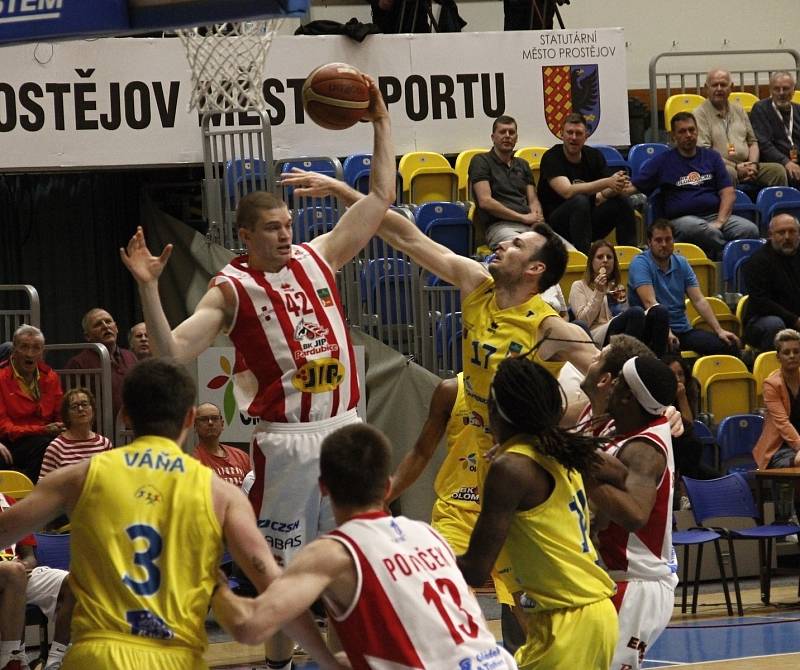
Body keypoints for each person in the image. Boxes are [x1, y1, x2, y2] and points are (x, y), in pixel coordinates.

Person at [121, 76, 394, 669]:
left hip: (346, 426)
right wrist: (150, 290)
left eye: (290, 226)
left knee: (354, 559)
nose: (287, 235)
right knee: (283, 569)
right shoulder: (233, 288)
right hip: (289, 444)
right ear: (244, 236)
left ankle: (354, 659)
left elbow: (378, 200)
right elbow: (172, 352)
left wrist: (379, 121)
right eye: (274, 229)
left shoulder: (321, 255)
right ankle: (278, 662)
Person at [0, 358, 339, 670]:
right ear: (190, 418)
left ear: (127, 416)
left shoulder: (79, 476)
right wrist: (328, 659)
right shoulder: (221, 493)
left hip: (97, 654)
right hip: (176, 657)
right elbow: (275, 592)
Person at [210, 423, 517, 669]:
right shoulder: (429, 534)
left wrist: (211, 580)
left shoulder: (334, 552)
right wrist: (329, 660)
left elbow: (250, 627)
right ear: (387, 487)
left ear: (323, 488)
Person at [456, 356, 618, 670]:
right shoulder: (560, 449)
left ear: (497, 411)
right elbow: (620, 473)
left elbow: (476, 569)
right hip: (588, 614)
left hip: (570, 621)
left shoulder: (511, 468)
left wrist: (421, 556)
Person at [591, 356, 679, 670]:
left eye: (617, 381)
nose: (609, 381)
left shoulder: (645, 449)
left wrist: (582, 476)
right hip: (612, 580)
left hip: (637, 586)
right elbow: (589, 386)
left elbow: (635, 515)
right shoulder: (617, 424)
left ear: (629, 395)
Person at [632, 111, 760, 260]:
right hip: (682, 220)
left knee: (749, 229)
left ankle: (725, 258)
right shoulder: (662, 161)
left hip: (715, 216)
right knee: (698, 229)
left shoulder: (712, 157)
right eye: (682, 131)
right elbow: (634, 187)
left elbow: (728, 193)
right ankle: (728, 254)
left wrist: (720, 221)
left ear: (697, 131)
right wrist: (609, 188)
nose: (688, 135)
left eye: (692, 130)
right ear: (673, 136)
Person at [627, 219, 741, 356]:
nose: (664, 244)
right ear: (649, 242)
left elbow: (699, 300)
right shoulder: (640, 264)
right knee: (670, 354)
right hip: (653, 332)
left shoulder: (681, 263)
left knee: (729, 346)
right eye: (658, 240)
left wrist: (719, 330)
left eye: (668, 239)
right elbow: (650, 304)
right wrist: (667, 332)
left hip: (683, 330)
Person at [537, 113, 638, 254]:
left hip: (587, 221)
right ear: (561, 134)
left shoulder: (593, 156)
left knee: (621, 200)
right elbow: (567, 191)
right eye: (569, 133)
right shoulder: (552, 157)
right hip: (557, 225)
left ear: (586, 136)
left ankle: (632, 255)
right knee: (579, 200)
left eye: (578, 133)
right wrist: (608, 182)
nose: (573, 137)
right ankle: (585, 259)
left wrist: (617, 186)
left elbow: (604, 193)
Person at [0, 491, 74, 670]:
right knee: (13, 572)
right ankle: (11, 659)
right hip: (8, 572)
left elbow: (29, 556)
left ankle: (56, 660)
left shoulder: (7, 502)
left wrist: (24, 564)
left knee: (73, 583)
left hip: (17, 573)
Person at [569, 240, 669, 354]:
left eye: (609, 257)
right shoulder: (578, 286)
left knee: (660, 311)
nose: (605, 260)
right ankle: (626, 362)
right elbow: (583, 322)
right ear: (591, 262)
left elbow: (625, 316)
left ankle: (657, 361)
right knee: (635, 312)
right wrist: (599, 292)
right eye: (600, 257)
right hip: (597, 336)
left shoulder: (617, 287)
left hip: (620, 330)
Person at [695, 68, 787, 189]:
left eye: (723, 85)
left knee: (777, 171)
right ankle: (733, 208)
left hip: (747, 164)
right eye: (714, 85)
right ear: (706, 88)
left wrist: (753, 164)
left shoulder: (739, 110)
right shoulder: (699, 113)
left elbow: (752, 142)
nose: (719, 89)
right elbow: (705, 151)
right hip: (719, 165)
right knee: (729, 173)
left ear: (731, 87)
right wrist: (735, 166)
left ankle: (779, 207)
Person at [468, 115, 545, 248]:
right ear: (493, 137)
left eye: (511, 132)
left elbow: (533, 200)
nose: (508, 136)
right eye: (502, 132)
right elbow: (485, 201)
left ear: (516, 138)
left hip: (530, 226)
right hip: (500, 227)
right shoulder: (481, 161)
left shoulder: (523, 164)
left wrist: (537, 217)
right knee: (527, 251)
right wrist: (522, 218)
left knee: (564, 253)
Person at [0, 325, 63, 483]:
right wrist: (42, 430)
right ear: (14, 349)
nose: (30, 354)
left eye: (36, 348)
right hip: (11, 440)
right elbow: (5, 427)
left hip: (44, 437)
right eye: (24, 347)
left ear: (42, 352)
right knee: (46, 446)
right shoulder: (2, 378)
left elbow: (60, 413)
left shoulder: (50, 377)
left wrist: (64, 427)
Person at [66, 308, 138, 419]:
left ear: (116, 328)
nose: (105, 326)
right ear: (87, 336)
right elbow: (71, 404)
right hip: (97, 430)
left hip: (129, 430)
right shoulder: (78, 364)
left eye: (108, 321)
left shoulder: (131, 356)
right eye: (98, 324)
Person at [742, 213, 800, 351]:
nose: (787, 237)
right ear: (770, 235)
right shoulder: (757, 261)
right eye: (781, 232)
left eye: (792, 232)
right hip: (762, 320)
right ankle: (772, 368)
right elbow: (761, 302)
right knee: (774, 324)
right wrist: (795, 320)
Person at [660, 353, 718, 481]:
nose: (677, 379)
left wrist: (682, 398)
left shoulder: (688, 391)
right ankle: (685, 494)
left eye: (680, 374)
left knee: (717, 478)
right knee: (691, 443)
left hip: (684, 450)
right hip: (665, 448)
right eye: (672, 375)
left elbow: (689, 426)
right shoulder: (656, 396)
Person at [39, 388, 113, 480]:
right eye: (74, 406)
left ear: (92, 410)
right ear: (67, 415)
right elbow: (43, 486)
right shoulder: (56, 447)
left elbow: (110, 479)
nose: (81, 409)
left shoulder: (104, 444)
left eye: (84, 404)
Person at [753, 329, 800, 470]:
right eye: (786, 352)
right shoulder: (771, 384)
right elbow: (782, 423)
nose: (792, 356)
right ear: (778, 356)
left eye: (796, 351)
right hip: (779, 448)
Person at [750, 71, 800, 186]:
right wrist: (785, 162)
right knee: (786, 172)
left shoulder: (798, 109)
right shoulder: (760, 109)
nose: (781, 93)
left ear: (793, 90)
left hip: (796, 161)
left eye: (786, 88)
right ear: (770, 90)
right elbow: (763, 144)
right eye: (777, 89)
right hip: (777, 162)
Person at [192, 402, 251, 487]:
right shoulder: (192, 459)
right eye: (204, 419)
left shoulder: (241, 456)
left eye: (215, 418)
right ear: (195, 426)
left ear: (222, 424)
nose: (210, 422)